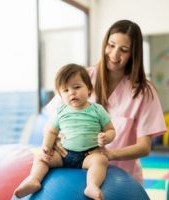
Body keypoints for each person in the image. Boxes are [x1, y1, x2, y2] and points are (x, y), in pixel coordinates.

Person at [45, 19, 167, 184]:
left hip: (122, 180)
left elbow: (144, 147)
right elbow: (54, 120)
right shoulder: (81, 78)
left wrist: (108, 154)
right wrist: (55, 142)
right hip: (76, 175)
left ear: (134, 54)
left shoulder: (144, 92)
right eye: (111, 45)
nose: (115, 54)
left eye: (124, 50)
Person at [14, 64, 116, 200]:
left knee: (101, 160)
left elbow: (110, 130)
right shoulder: (61, 111)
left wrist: (106, 137)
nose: (72, 93)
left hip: (88, 155)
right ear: (60, 95)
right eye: (65, 90)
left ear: (89, 89)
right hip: (64, 155)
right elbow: (51, 131)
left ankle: (92, 185)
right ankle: (34, 180)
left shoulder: (97, 110)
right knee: (40, 157)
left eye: (77, 87)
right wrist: (46, 147)